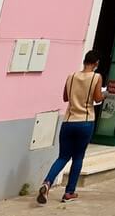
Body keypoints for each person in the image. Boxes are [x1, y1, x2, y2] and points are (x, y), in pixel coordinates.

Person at [37, 50, 105, 204]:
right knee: (78, 157)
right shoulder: (96, 77)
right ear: (96, 63)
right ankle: (69, 192)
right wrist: (104, 94)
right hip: (86, 121)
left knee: (62, 156)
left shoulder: (71, 76)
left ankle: (47, 182)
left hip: (68, 121)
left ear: (84, 61)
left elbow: (65, 97)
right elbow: (97, 98)